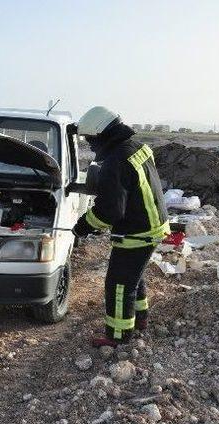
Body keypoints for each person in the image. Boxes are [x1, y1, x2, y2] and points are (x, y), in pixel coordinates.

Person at [72, 106, 169, 348]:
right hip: (153, 222)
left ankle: (118, 336)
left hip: (137, 231)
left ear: (100, 134)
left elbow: (109, 212)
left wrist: (82, 226)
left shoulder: (114, 163)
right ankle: (141, 319)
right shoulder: (138, 148)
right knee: (133, 277)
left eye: (89, 139)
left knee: (118, 285)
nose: (90, 144)